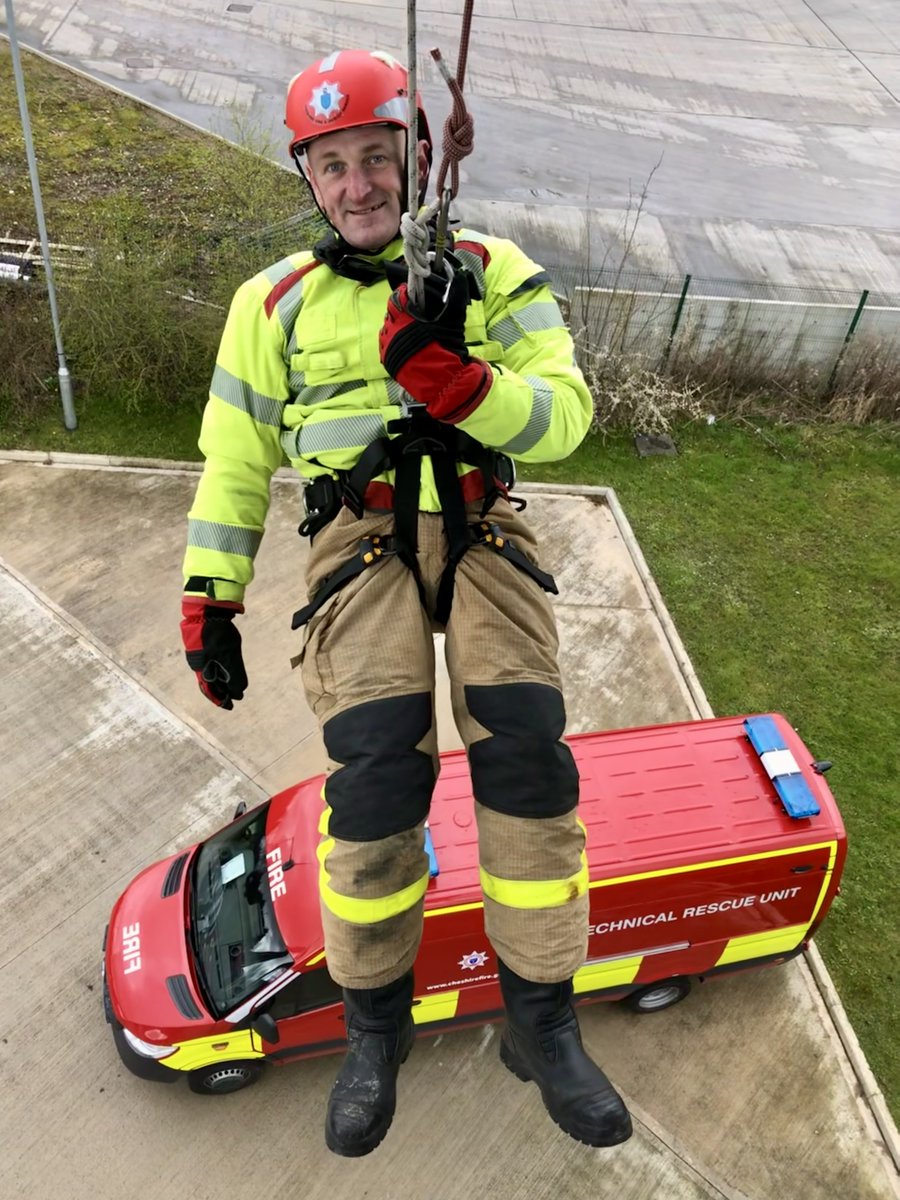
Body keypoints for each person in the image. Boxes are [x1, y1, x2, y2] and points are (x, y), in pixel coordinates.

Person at [180, 47, 632, 1157]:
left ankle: (542, 1022)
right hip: (362, 539)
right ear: (310, 180)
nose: (358, 184)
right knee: (377, 783)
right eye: (333, 165)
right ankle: (375, 1028)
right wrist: (212, 595)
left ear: (415, 159)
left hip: (484, 529)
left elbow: (567, 416)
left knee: (528, 764)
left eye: (377, 157)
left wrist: (473, 389)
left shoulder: (488, 268)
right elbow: (235, 459)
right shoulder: (272, 304)